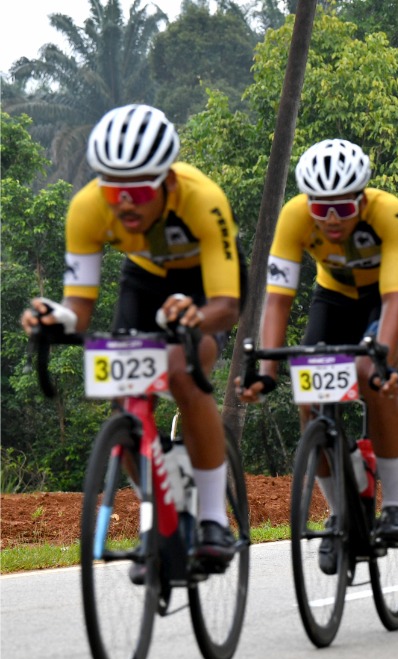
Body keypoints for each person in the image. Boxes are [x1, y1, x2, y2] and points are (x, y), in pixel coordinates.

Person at [21, 104, 243, 568]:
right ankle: (160, 514)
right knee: (124, 395)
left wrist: (196, 317)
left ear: (169, 181)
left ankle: (211, 519)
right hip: (142, 282)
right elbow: (78, 310)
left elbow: (228, 305)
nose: (124, 202)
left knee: (183, 375)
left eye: (138, 190)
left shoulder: (202, 198)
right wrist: (52, 319)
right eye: (113, 187)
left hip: (204, 287)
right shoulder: (87, 207)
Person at [237, 139, 398, 559]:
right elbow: (278, 298)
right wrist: (268, 371)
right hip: (332, 299)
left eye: (343, 208)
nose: (332, 219)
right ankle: (339, 512)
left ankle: (396, 508)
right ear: (308, 201)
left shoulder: (387, 211)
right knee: (309, 391)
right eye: (322, 208)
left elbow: (394, 301)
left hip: (383, 299)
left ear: (362, 197)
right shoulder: (294, 215)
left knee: (372, 378)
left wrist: (383, 362)